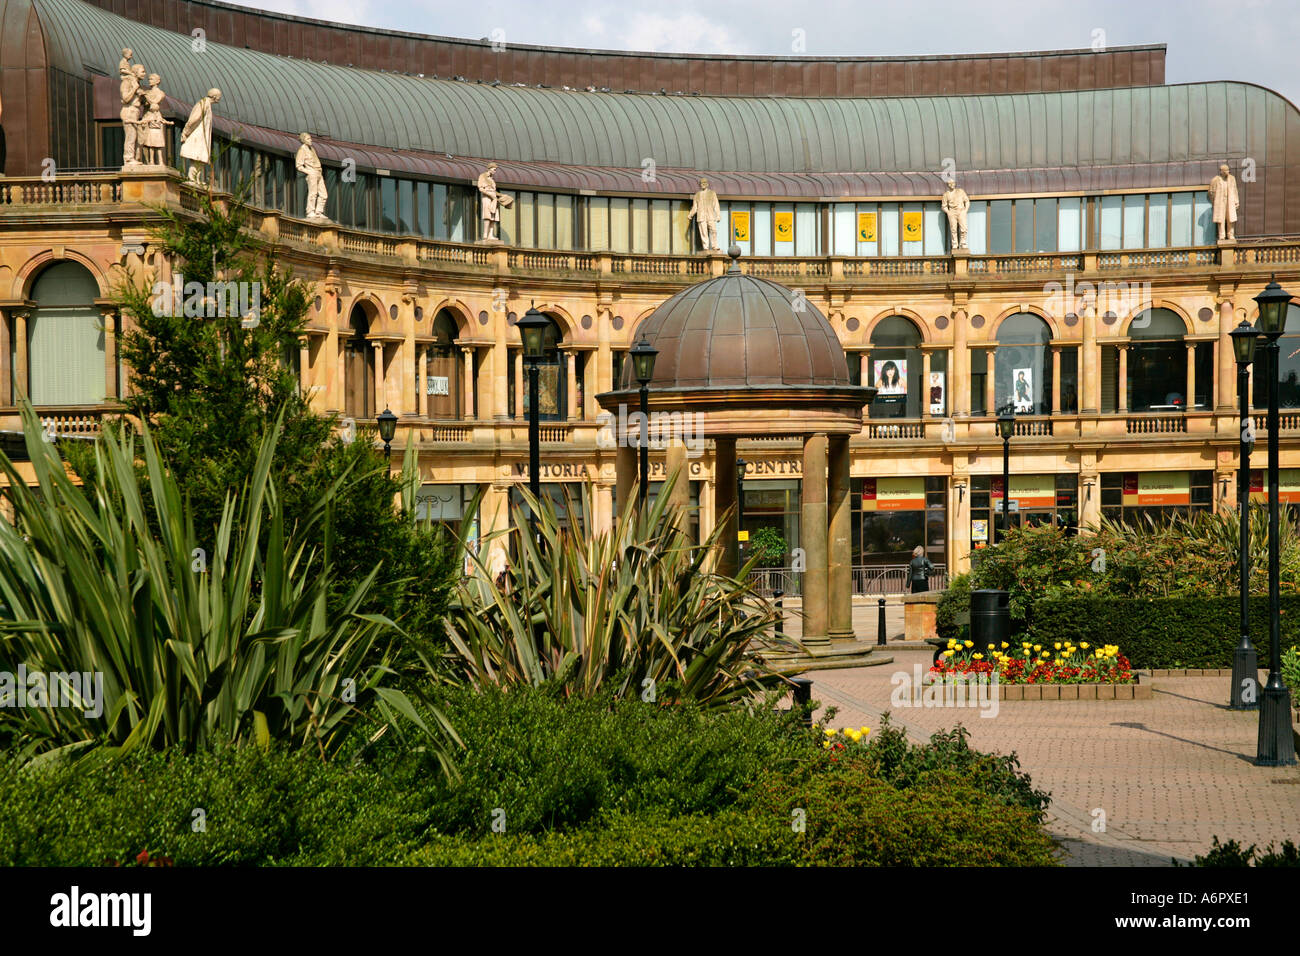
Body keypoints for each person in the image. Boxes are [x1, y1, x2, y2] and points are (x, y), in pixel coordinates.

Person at [180, 88, 222, 183]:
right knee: (197, 156)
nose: (220, 98)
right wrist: (186, 131)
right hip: (197, 135)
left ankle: (196, 178)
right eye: (219, 96)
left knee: (200, 158)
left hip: (202, 136)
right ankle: (192, 178)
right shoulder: (203, 103)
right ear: (214, 96)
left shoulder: (207, 104)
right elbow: (195, 118)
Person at [688, 177, 721, 251]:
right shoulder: (697, 195)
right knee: (703, 232)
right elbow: (695, 207)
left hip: (710, 216)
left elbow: (716, 205)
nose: (702, 184)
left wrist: (718, 215)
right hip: (701, 216)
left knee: (713, 230)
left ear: (707, 184)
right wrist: (690, 214)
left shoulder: (712, 193)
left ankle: (714, 246)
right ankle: (705, 247)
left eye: (704, 183)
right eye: (701, 183)